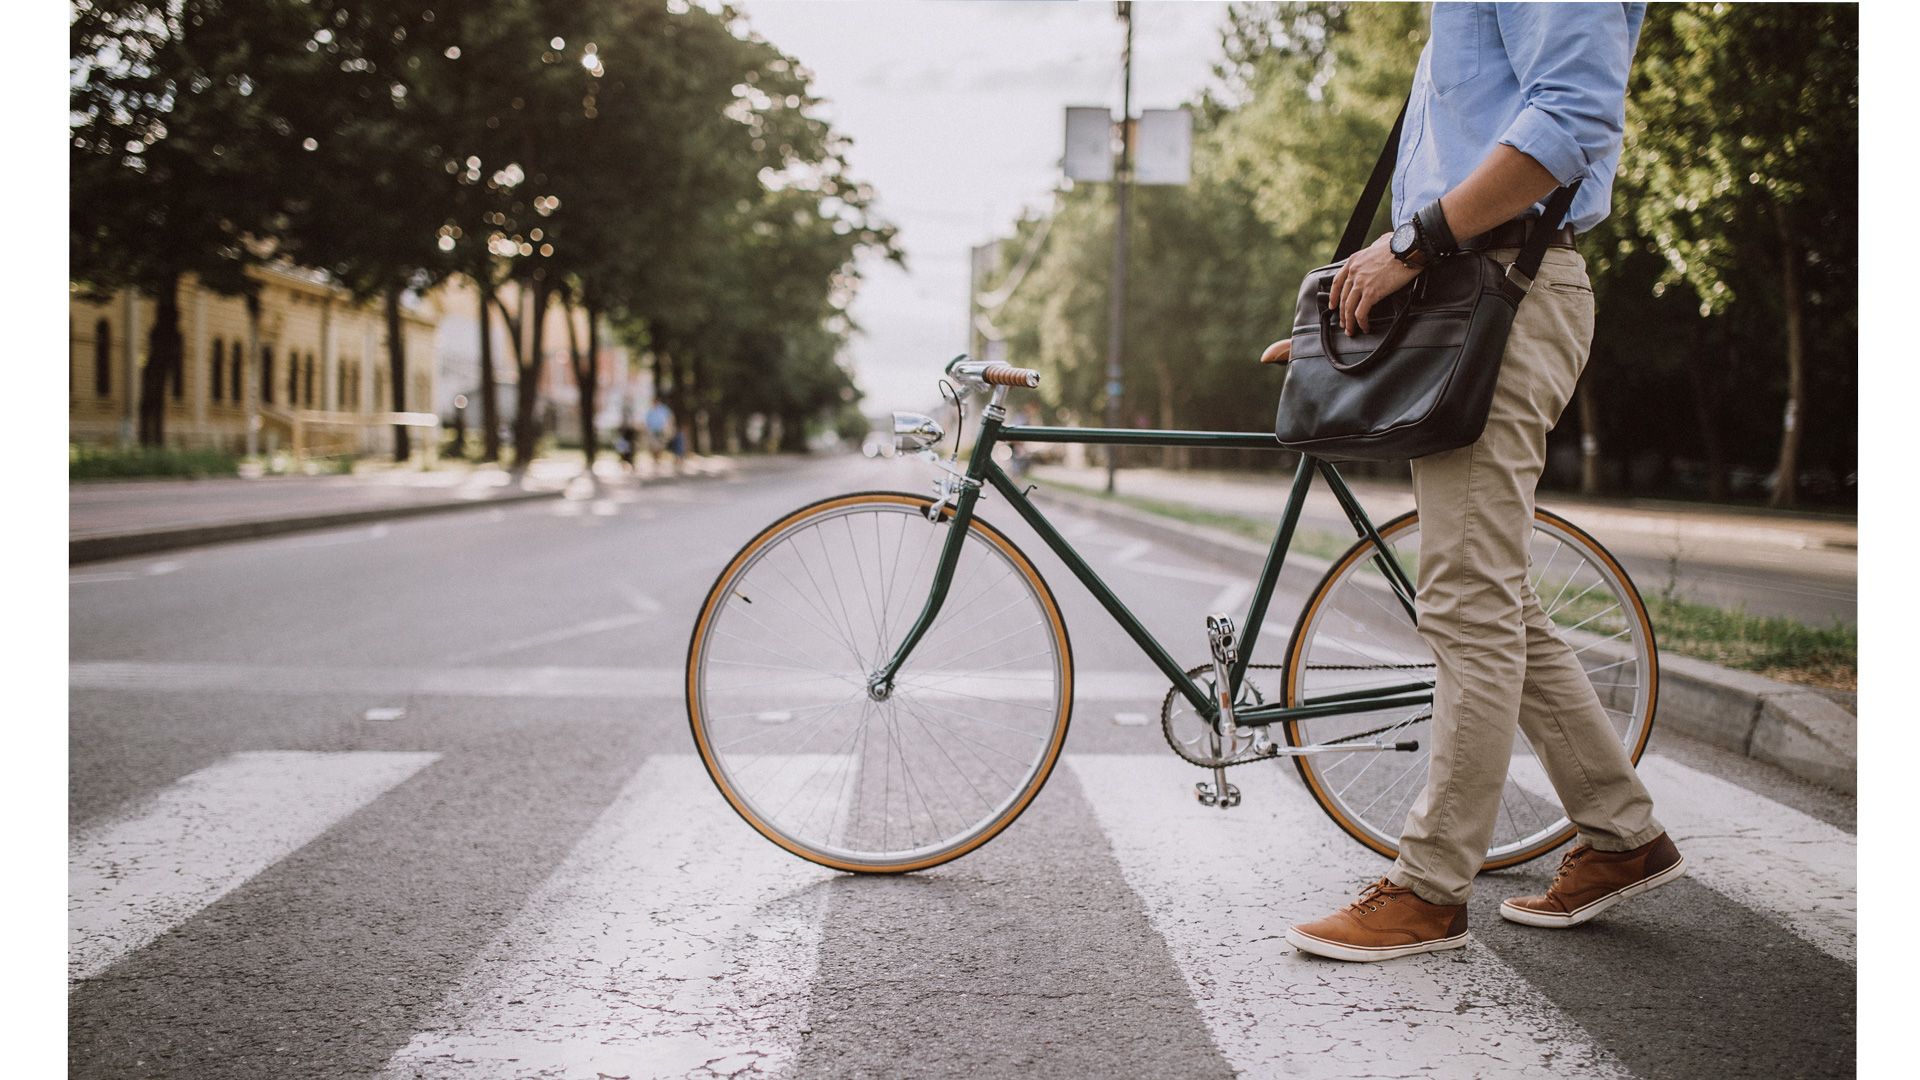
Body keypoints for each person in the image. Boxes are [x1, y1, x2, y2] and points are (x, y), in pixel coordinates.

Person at [1282, 3, 1682, 963]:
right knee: (1489, 591)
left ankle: (1430, 889)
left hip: (1504, 292)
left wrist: (1407, 247)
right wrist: (1347, 322)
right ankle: (1622, 834)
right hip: (1462, 296)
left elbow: (1571, 121)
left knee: (1464, 597)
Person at [644, 398, 673, 467]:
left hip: (661, 429)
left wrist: (668, 427)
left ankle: (658, 458)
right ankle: (655, 459)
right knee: (653, 445)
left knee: (660, 445)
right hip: (652, 430)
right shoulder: (650, 410)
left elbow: (669, 417)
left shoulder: (663, 409)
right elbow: (647, 420)